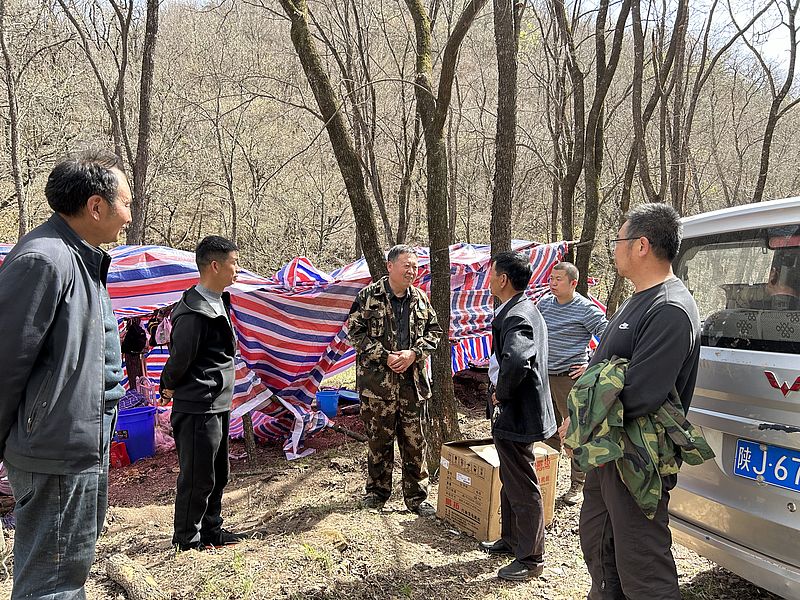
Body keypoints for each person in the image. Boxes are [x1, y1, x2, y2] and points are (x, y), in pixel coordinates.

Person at [0, 150, 131, 598]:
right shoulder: (44, 260)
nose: (129, 217)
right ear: (96, 206)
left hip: (78, 443)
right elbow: (5, 364)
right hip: (53, 449)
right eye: (126, 204)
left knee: (67, 571)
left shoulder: (81, 259)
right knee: (51, 583)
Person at [564, 203, 701, 599]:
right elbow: (602, 367)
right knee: (602, 547)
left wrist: (581, 418)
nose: (614, 249)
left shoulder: (670, 309)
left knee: (643, 568)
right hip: (610, 452)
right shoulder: (638, 299)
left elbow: (639, 393)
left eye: (618, 241)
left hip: (638, 461)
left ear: (641, 245)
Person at [159, 235, 245, 551]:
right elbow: (180, 359)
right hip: (198, 406)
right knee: (197, 478)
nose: (237, 270)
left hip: (217, 403)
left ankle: (211, 531)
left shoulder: (219, 300)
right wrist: (167, 385)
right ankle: (186, 540)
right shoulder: (192, 311)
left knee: (218, 473)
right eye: (234, 263)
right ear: (214, 265)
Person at [347, 245, 442, 517]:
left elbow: (434, 332)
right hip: (377, 386)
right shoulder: (368, 297)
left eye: (414, 266)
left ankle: (416, 497)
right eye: (406, 265)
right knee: (379, 442)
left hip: (412, 385)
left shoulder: (421, 299)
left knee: (415, 443)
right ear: (390, 267)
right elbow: (355, 332)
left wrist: (415, 353)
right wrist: (385, 356)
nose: (412, 271)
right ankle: (376, 494)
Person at [480, 251, 556, 582]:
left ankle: (531, 557)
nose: (488, 279)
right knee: (511, 478)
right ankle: (512, 540)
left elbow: (516, 360)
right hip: (517, 411)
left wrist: (502, 394)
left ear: (503, 280)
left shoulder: (517, 316)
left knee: (523, 485)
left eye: (491, 274)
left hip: (517, 412)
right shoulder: (519, 308)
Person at [538, 261, 607, 505]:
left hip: (570, 379)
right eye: (551, 278)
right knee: (548, 430)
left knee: (575, 432)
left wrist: (591, 366)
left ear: (573, 283)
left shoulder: (585, 309)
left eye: (558, 279)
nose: (553, 283)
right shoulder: (544, 304)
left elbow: (608, 335)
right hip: (545, 376)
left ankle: (578, 484)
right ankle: (546, 479)